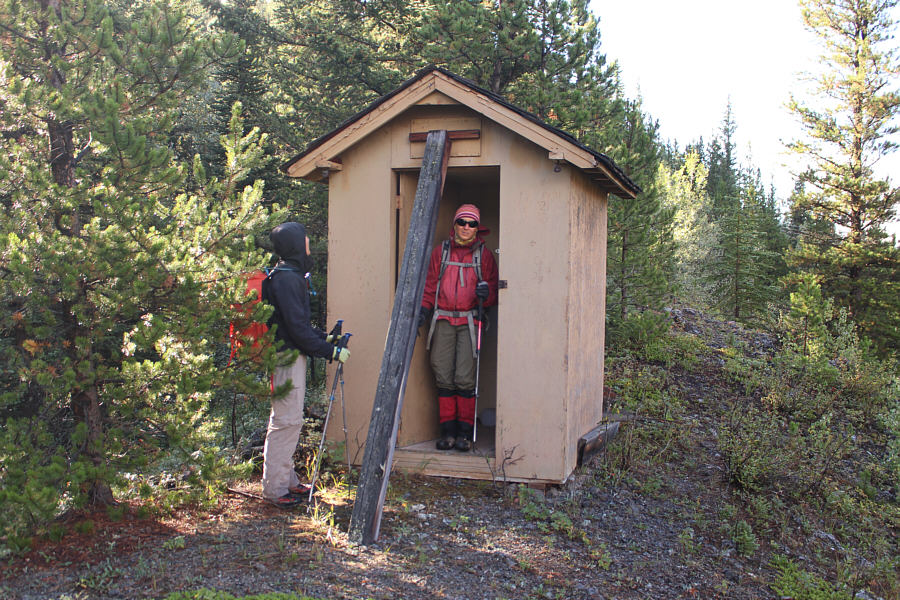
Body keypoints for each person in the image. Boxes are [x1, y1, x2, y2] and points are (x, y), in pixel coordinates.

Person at [260, 221, 349, 508]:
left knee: (290, 420)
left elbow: (297, 325)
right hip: (285, 357)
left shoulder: (290, 275)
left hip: (289, 354)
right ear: (297, 245)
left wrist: (326, 338)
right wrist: (329, 351)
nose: (310, 245)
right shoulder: (287, 279)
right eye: (306, 240)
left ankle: (287, 482)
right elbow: (296, 330)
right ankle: (275, 489)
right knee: (285, 422)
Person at [419, 204, 498, 452]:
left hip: (469, 321)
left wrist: (488, 293)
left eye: (471, 223)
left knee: (464, 377)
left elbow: (494, 289)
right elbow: (430, 285)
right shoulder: (440, 253)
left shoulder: (484, 256)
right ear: (455, 224)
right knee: (442, 374)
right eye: (462, 222)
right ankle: (447, 433)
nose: (466, 227)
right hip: (442, 319)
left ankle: (464, 434)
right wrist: (423, 309)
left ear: (477, 228)